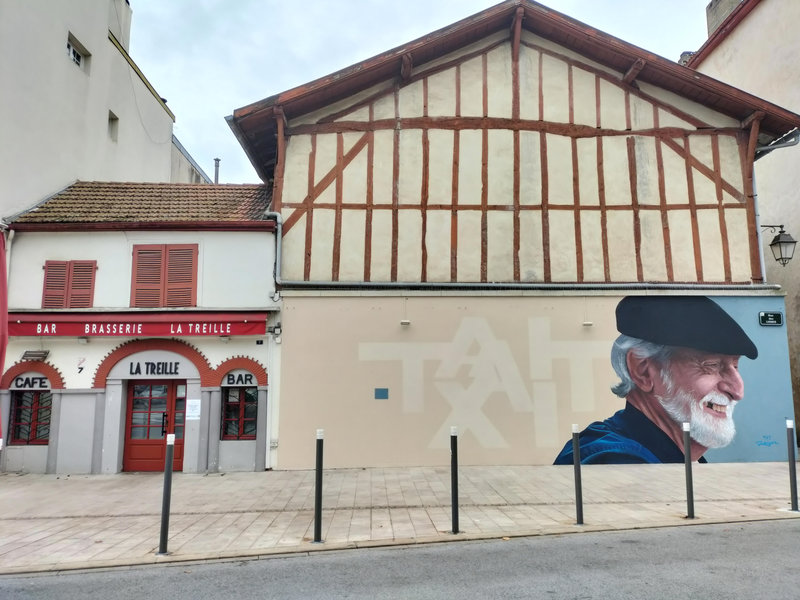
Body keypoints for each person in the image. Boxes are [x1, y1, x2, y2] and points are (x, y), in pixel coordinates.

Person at [554, 296, 757, 464]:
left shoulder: (676, 456)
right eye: (711, 365)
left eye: (735, 366)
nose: (738, 391)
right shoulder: (618, 465)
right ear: (643, 370)